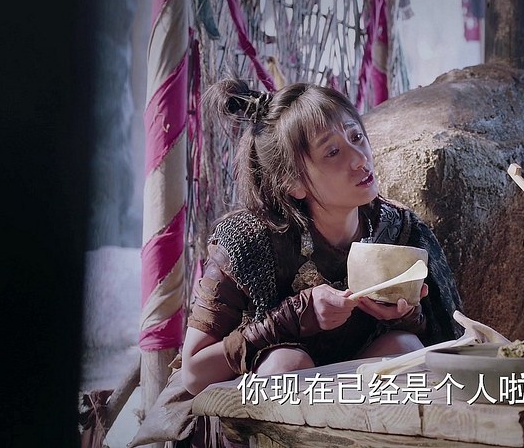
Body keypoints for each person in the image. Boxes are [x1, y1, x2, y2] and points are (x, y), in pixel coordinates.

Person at [130, 79, 462, 447]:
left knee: (406, 350)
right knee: (287, 367)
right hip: (243, 418)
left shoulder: (397, 229)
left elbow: (449, 342)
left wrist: (404, 316)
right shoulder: (247, 241)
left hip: (344, 399)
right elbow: (194, 373)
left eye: (356, 136)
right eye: (332, 152)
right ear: (293, 183)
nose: (359, 158)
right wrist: (293, 317)